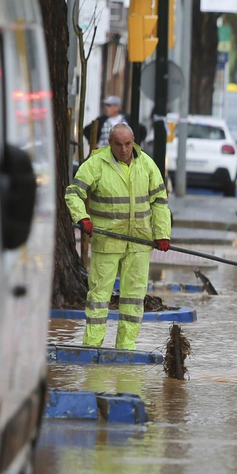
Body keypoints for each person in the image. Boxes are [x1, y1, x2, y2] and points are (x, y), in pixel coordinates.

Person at [67, 123, 171, 349]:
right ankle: (92, 346)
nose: (123, 149)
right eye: (118, 144)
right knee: (99, 297)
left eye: (127, 144)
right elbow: (74, 193)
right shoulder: (96, 164)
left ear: (133, 142)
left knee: (134, 298)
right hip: (108, 241)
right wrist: (82, 217)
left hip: (139, 243)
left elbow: (160, 202)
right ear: (110, 144)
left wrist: (162, 234)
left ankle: (126, 347)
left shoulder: (147, 164)